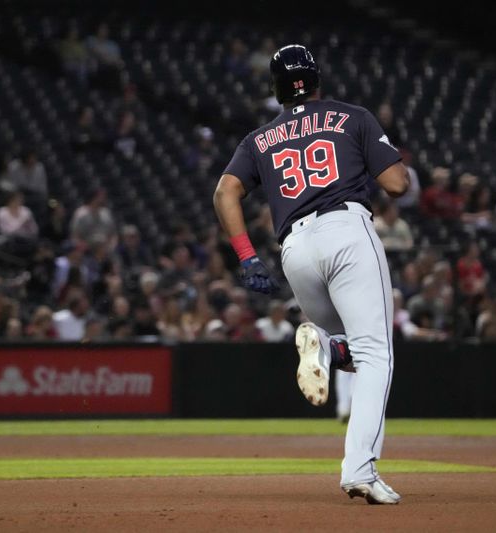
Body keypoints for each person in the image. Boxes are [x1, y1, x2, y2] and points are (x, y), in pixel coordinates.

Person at [213, 44, 408, 504]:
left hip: (294, 248)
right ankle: (359, 468)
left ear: (276, 90)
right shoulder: (352, 116)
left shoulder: (258, 139)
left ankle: (325, 344)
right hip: (346, 230)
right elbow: (396, 184)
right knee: (377, 353)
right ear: (318, 80)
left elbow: (225, 192)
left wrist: (246, 256)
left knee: (352, 350)